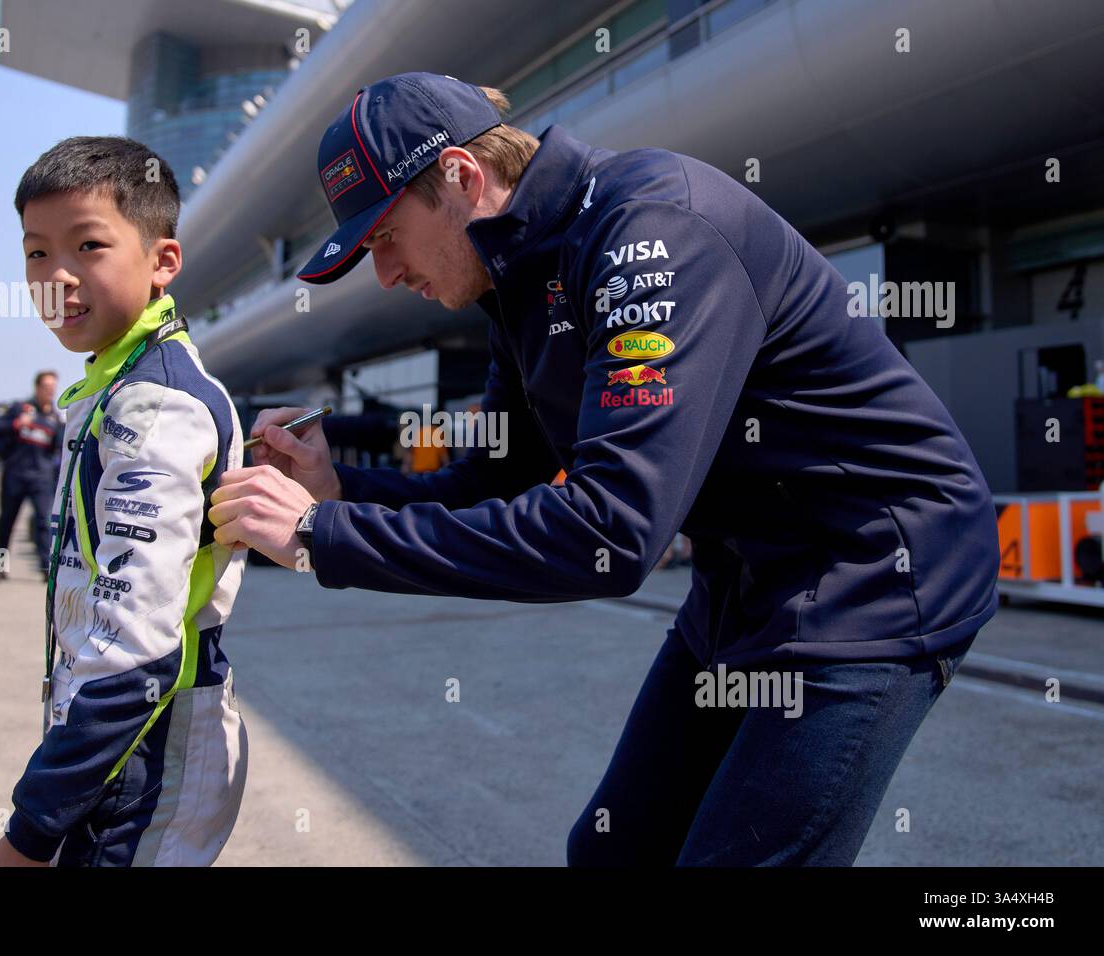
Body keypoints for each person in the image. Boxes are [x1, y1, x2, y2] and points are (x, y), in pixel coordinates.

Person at [209, 73, 1001, 866]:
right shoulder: (514, 277)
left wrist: (321, 535)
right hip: (743, 583)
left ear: (460, 176)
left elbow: (612, 532)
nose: (384, 275)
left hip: (875, 575)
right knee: (611, 853)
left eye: (383, 237)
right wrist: (339, 489)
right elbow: (486, 482)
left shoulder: (652, 228)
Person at [0, 136, 248, 868]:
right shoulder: (110, 385)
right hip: (113, 753)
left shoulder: (154, 406)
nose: (55, 277)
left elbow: (137, 656)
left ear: (163, 262)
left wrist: (26, 838)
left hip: (145, 762)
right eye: (35, 252)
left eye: (88, 246)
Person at [0, 370, 63, 575]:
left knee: (43, 521)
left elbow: (59, 448)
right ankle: (0, 566)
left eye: (53, 388)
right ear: (37, 388)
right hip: (15, 474)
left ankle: (46, 567)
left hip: (41, 477)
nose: (50, 391)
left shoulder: (54, 418)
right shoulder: (21, 409)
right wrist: (16, 423)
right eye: (46, 387)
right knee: (6, 522)